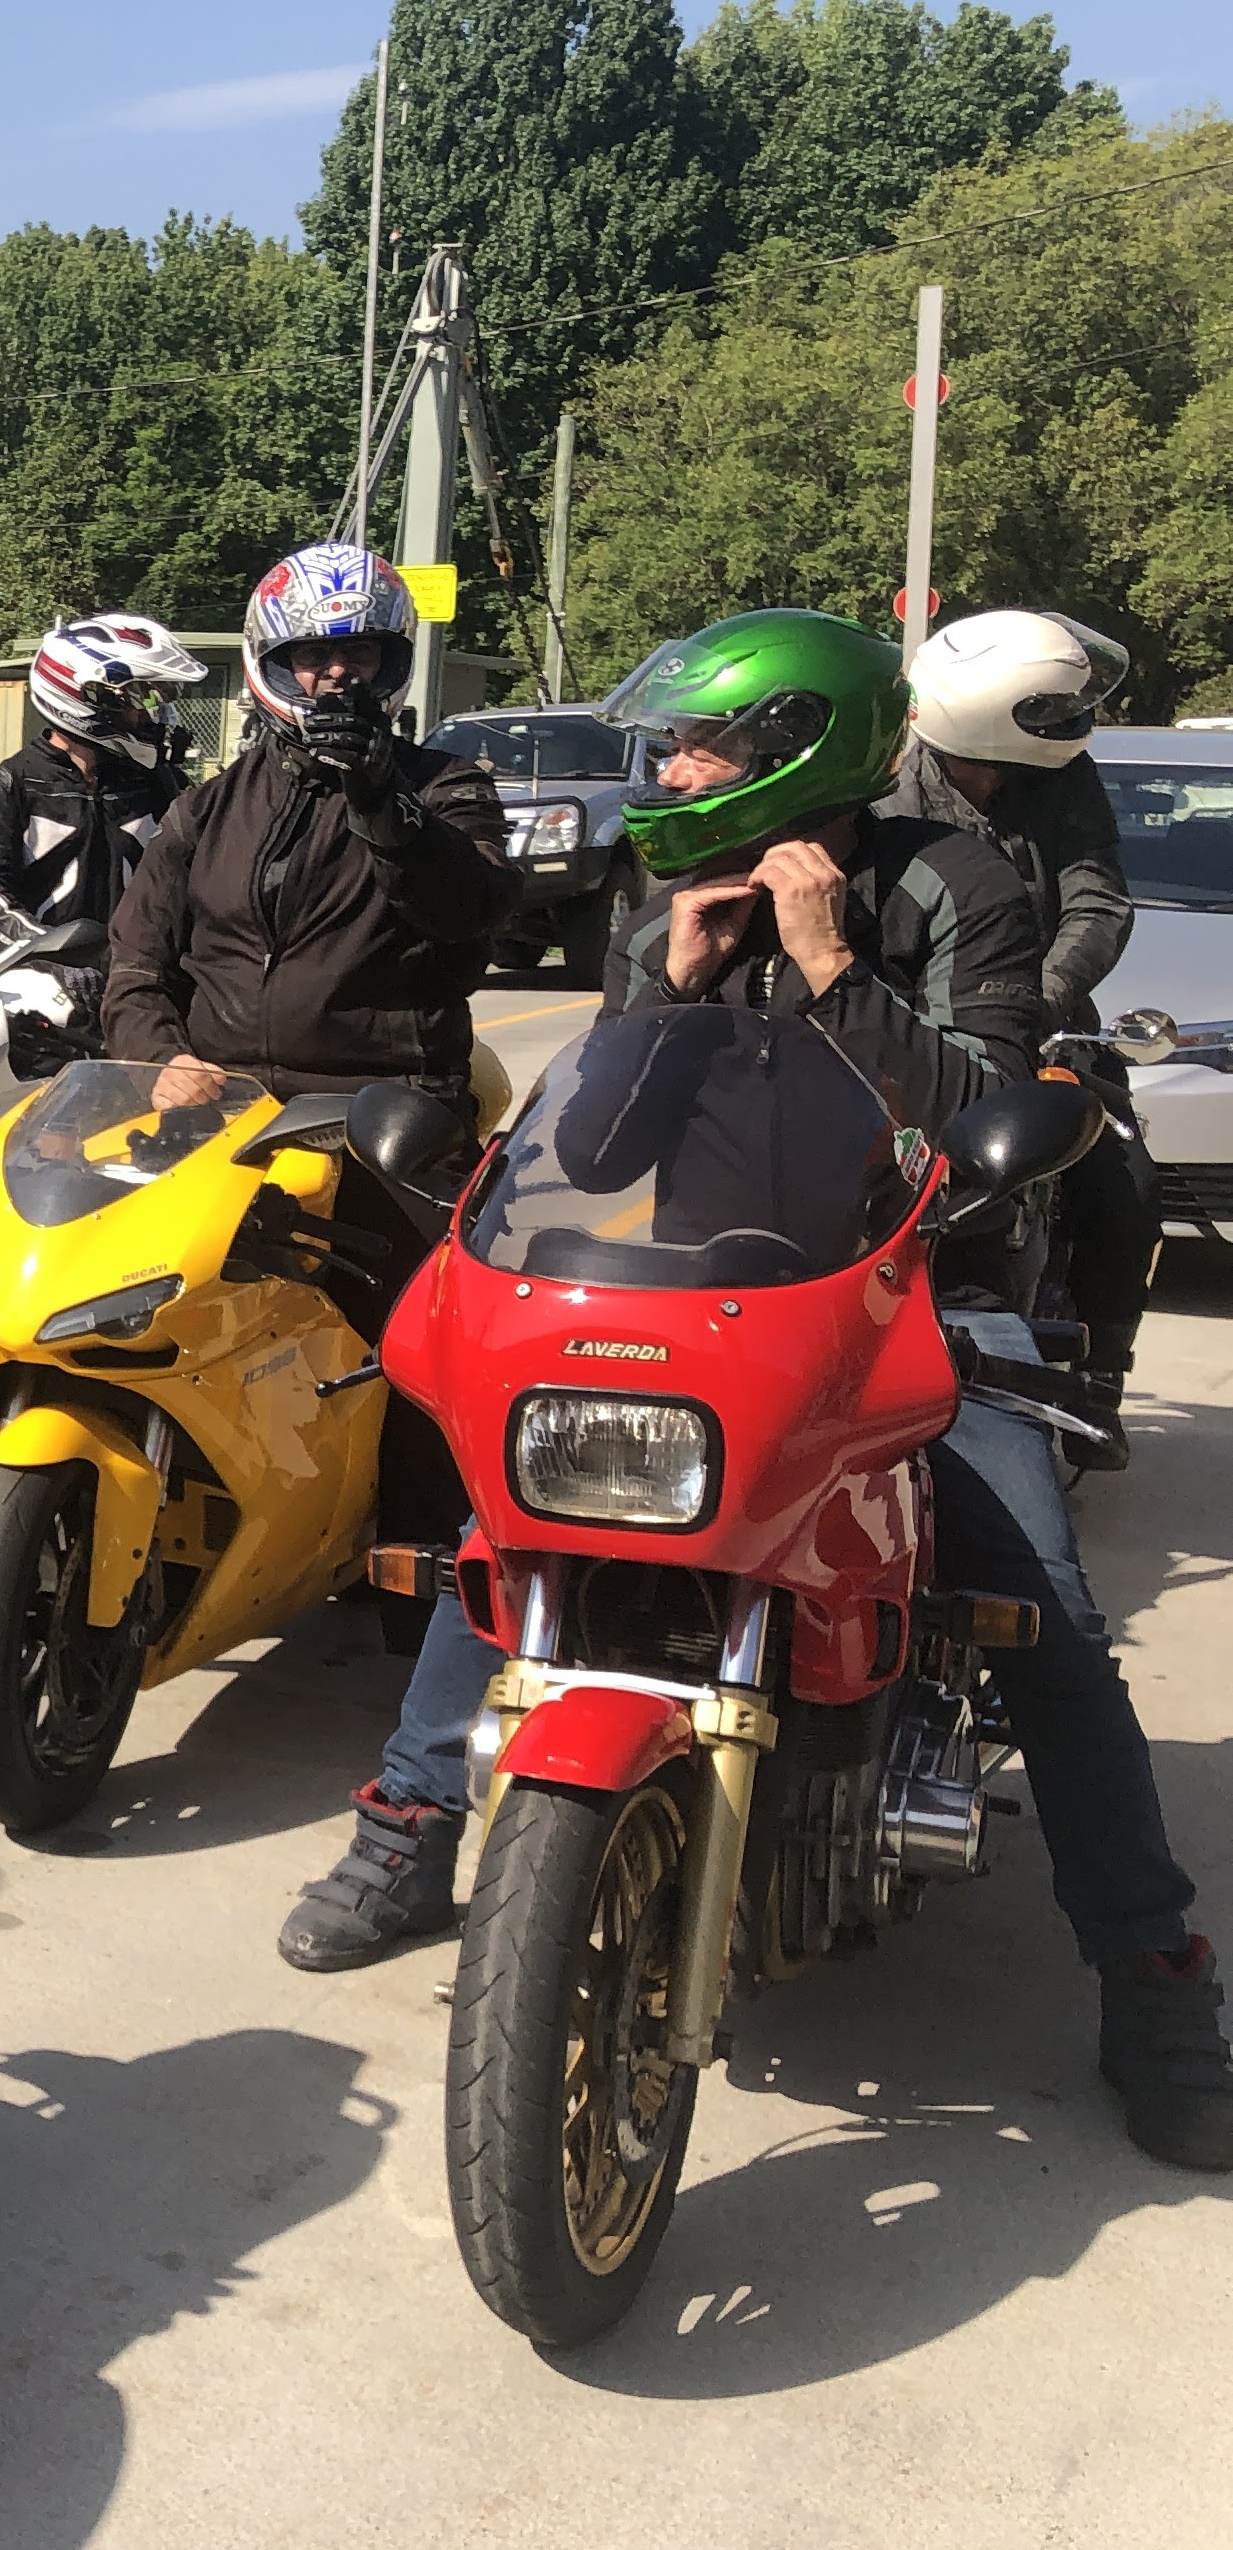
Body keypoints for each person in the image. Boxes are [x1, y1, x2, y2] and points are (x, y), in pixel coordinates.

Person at [277, 606, 1230, 2170]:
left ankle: (1155, 1971)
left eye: (697, 752)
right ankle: (411, 1819)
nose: (667, 774)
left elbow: (982, 1118)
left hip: (922, 1300)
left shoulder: (956, 884)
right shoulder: (661, 898)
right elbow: (593, 1153)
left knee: (1044, 1612)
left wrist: (836, 969)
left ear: (799, 755)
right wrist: (669, 988)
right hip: (709, 1293)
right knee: (514, 1525)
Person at [106, 543, 520, 1120]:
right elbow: (137, 964)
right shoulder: (205, 809)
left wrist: (384, 802)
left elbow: (468, 914)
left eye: (360, 651)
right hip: (224, 1102)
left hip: (382, 1102)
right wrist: (163, 1058)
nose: (339, 671)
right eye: (314, 653)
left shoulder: (447, 787)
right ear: (275, 663)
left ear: (389, 662)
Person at [898, 607, 1155, 1402]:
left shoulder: (1062, 775)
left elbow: (1098, 902)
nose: (1068, 721)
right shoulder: (884, 796)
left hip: (1045, 1033)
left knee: (1124, 1186)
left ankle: (1103, 1373)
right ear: (986, 715)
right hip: (914, 1040)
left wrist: (1038, 1000)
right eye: (1047, 709)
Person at [0, 613, 207, 946]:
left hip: (137, 972)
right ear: (87, 697)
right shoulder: (5, 786)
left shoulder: (160, 784)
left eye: (155, 702)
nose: (149, 717)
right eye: (139, 699)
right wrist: (50, 951)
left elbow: (200, 882)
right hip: (35, 972)